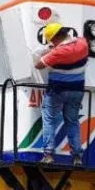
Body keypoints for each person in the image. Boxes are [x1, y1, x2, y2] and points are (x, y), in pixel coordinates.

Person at [34, 23, 89, 165]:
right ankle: (77, 157)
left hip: (56, 91)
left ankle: (48, 155)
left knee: (49, 120)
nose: (52, 43)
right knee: (72, 122)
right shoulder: (83, 43)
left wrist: (47, 51)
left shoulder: (58, 52)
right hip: (77, 91)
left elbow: (38, 65)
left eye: (52, 41)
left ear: (56, 38)